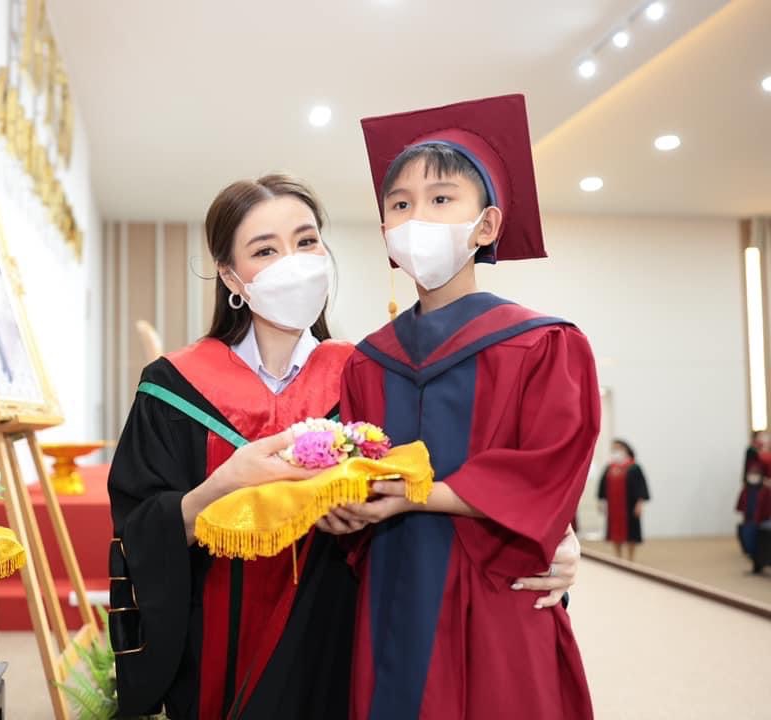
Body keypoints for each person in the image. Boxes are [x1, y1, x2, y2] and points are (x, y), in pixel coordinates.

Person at [107, 173, 580, 719]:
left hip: (339, 642)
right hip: (216, 651)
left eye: (306, 241)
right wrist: (222, 486)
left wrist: (556, 539)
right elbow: (137, 533)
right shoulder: (173, 388)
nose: (293, 262)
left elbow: (441, 483)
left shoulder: (373, 375)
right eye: (265, 250)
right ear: (230, 275)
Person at [321, 95, 598, 720]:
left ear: (487, 226)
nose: (417, 217)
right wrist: (341, 510)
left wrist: (417, 495)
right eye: (400, 205)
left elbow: (548, 471)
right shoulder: (368, 361)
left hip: (495, 592)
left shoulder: (542, 344)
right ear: (387, 234)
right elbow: (355, 475)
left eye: (441, 198)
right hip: (394, 592)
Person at [597, 439, 650, 561]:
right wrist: (601, 501)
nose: (616, 451)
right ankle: (618, 558)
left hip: (630, 506)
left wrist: (640, 504)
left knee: (631, 533)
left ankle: (630, 559)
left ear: (626, 449)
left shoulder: (634, 467)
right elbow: (602, 486)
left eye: (618, 448)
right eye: (613, 449)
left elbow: (641, 487)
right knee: (615, 532)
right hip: (614, 507)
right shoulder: (609, 467)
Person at [736, 431, 771, 556]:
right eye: (763, 436)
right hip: (759, 488)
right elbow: (752, 473)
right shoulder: (753, 451)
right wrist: (765, 481)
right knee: (753, 518)